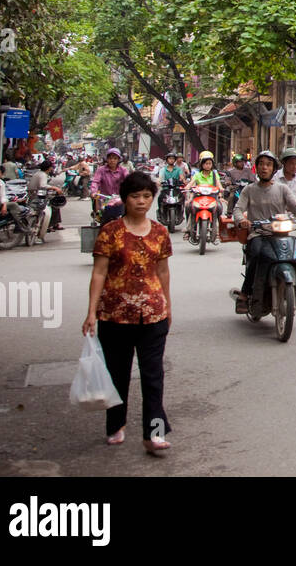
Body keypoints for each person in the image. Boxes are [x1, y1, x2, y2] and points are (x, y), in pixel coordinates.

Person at [82, 171, 172, 455]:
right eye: (136, 196)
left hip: (153, 315)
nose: (142, 202)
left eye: (147, 196)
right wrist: (90, 312)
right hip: (115, 315)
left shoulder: (160, 232)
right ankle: (115, 425)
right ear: (125, 199)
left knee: (153, 376)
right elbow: (99, 273)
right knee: (117, 374)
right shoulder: (110, 232)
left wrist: (167, 305)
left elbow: (162, 272)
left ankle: (154, 434)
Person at [231, 151, 296, 312]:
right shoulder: (249, 190)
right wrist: (242, 220)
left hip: (280, 233)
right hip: (259, 234)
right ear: (257, 168)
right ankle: (245, 293)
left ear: (273, 169)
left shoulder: (282, 189)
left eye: (268, 165)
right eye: (261, 164)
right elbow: (238, 210)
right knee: (255, 254)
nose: (264, 168)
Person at [183, 150, 226, 239]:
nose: (208, 165)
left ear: (212, 164)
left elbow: (219, 184)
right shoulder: (197, 175)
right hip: (198, 197)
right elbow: (191, 183)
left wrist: (221, 189)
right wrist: (187, 187)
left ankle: (217, 230)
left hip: (212, 197)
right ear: (202, 164)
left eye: (209, 163)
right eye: (206, 163)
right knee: (189, 207)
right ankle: (188, 230)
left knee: (219, 208)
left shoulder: (215, 174)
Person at [26, 158, 66, 233]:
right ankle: (51, 224)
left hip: (35, 194)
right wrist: (55, 188)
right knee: (54, 205)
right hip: (37, 196)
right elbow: (42, 185)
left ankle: (52, 224)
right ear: (49, 168)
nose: (52, 169)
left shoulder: (39, 173)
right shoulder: (43, 175)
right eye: (51, 167)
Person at [91, 148, 129, 224]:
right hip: (105, 199)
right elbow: (96, 181)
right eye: (110, 158)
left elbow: (129, 181)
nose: (112, 160)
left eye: (115, 158)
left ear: (118, 160)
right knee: (103, 219)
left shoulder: (123, 170)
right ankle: (97, 216)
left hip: (119, 199)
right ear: (107, 159)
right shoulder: (101, 170)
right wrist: (94, 192)